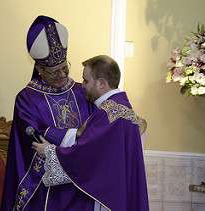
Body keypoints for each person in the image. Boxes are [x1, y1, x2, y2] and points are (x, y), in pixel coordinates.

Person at [1, 16, 95, 211]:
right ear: (39, 69)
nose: (62, 75)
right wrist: (76, 134)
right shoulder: (27, 99)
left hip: (83, 188)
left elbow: (99, 127)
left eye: (65, 68)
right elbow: (33, 138)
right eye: (54, 71)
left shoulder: (82, 91)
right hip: (47, 192)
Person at [33, 55, 149, 211]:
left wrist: (49, 151)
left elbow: (85, 156)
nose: (83, 86)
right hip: (122, 193)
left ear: (101, 83)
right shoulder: (122, 108)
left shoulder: (107, 114)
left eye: (86, 81)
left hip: (110, 198)